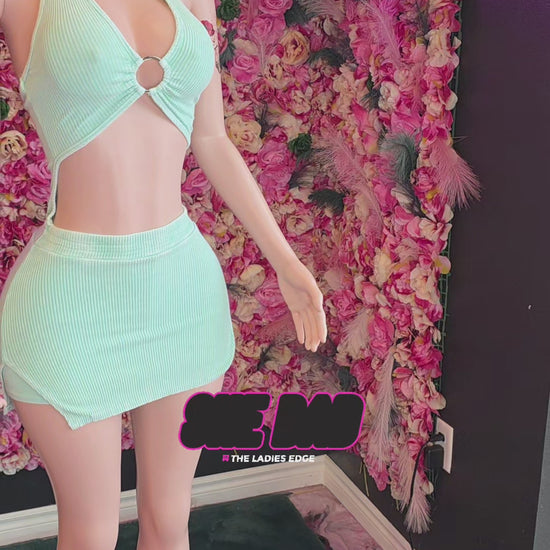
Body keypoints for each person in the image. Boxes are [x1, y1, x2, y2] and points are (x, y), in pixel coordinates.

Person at [0, 0, 327, 548]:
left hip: (181, 294)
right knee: (90, 534)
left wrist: (287, 263)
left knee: (169, 522)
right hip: (69, 303)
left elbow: (212, 140)